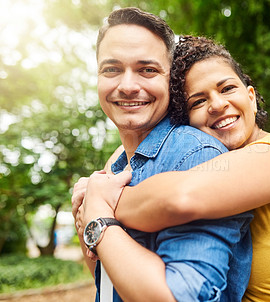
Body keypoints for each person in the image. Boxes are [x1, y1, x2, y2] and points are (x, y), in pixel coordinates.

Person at [83, 35, 270, 301]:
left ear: (252, 97)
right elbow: (112, 274)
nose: (218, 105)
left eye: (228, 88)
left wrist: (99, 205)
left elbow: (180, 198)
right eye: (198, 102)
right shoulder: (209, 161)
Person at [72, 8, 253, 302]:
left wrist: (99, 218)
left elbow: (181, 296)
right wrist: (86, 223)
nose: (128, 86)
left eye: (148, 70)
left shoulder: (194, 155)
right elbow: (108, 281)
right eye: (111, 69)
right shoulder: (117, 167)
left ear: (171, 82)